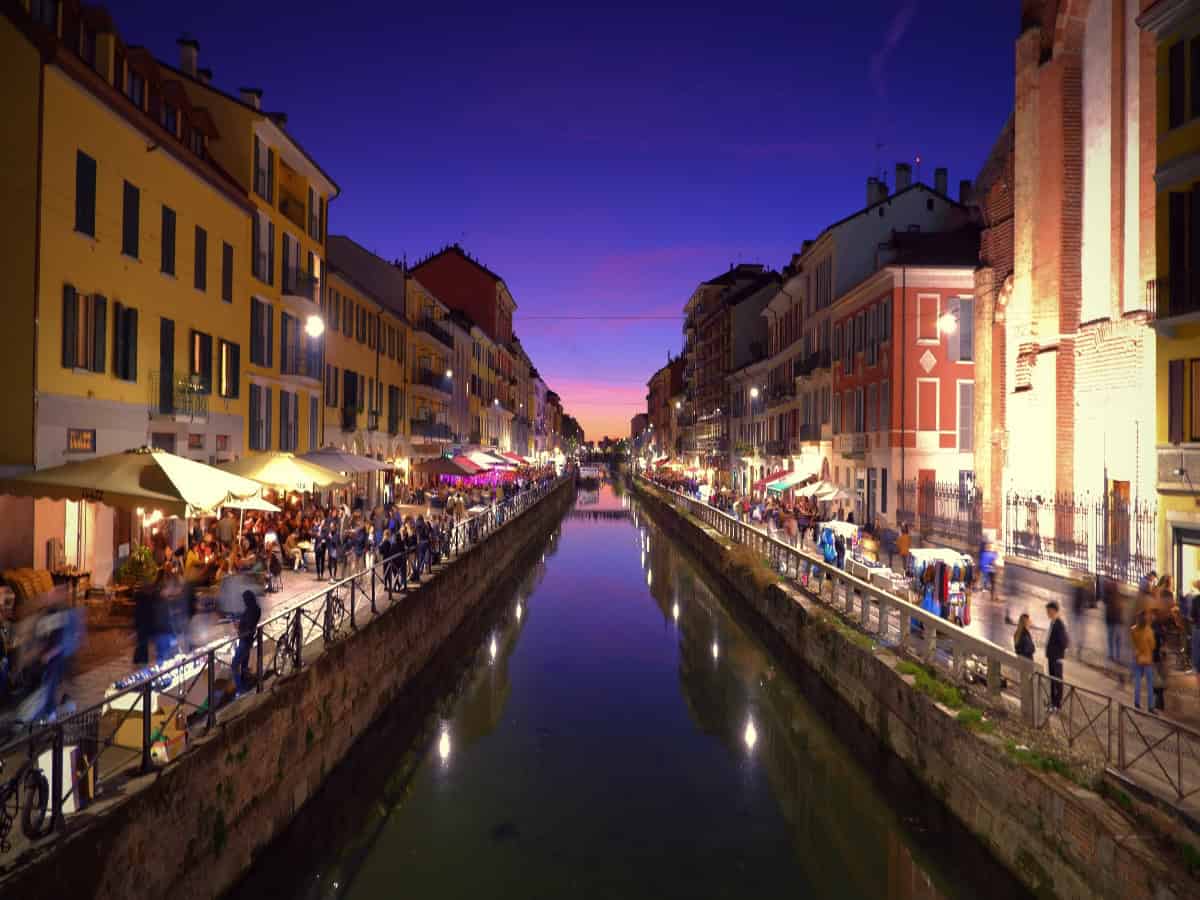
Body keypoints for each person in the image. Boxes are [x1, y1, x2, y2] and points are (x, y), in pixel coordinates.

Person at [231, 590, 261, 694]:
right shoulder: (256, 609)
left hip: (245, 641)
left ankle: (240, 689)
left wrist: (238, 626)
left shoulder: (250, 611)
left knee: (234, 665)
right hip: (249, 640)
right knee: (244, 664)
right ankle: (245, 683)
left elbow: (247, 627)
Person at [1044, 601, 1069, 712]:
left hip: (1056, 658)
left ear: (1053, 611)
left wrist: (1059, 655)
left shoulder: (1059, 624)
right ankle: (1053, 702)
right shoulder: (1053, 623)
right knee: (1052, 680)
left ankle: (1057, 705)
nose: (1047, 613)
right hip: (1051, 657)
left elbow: (1064, 642)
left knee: (1057, 681)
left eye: (1048, 611)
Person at [1131, 610, 1156, 711]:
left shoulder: (1133, 629)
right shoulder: (1149, 631)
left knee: (1137, 682)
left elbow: (1133, 643)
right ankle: (1150, 706)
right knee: (1150, 684)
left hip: (1137, 659)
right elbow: (1153, 646)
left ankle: (1136, 702)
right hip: (1147, 660)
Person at [1104, 577, 1125, 665]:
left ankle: (1111, 655)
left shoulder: (1108, 596)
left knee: (1111, 638)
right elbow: (1119, 609)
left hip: (1111, 620)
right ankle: (1116, 656)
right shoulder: (1116, 595)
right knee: (1116, 639)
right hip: (1116, 620)